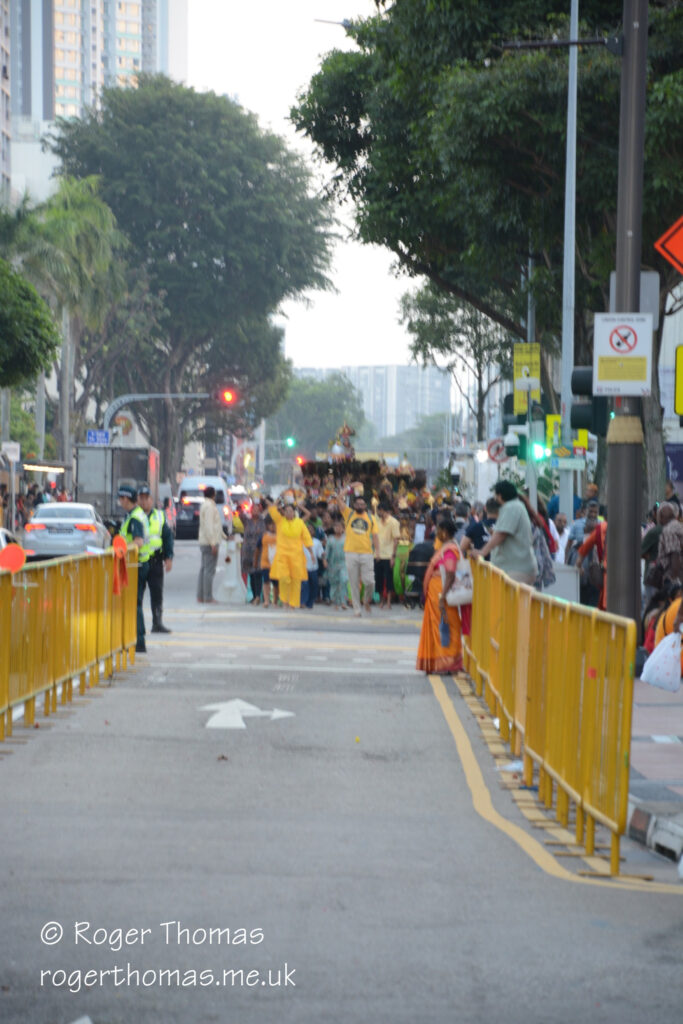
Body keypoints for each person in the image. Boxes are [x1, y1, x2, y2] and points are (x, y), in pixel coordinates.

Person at [416, 516, 464, 674]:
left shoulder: (450, 550)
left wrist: (442, 596)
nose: (436, 533)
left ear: (444, 532)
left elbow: (450, 574)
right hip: (436, 592)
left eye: (439, 530)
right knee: (439, 627)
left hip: (442, 593)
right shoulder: (445, 548)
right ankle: (441, 663)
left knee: (445, 628)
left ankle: (448, 664)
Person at [469, 480, 537, 585]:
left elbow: (501, 534)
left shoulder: (511, 507)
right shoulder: (515, 506)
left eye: (495, 495)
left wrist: (482, 552)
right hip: (516, 569)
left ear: (500, 495)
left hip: (515, 570)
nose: (494, 498)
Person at [330, 489, 379, 617]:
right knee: (354, 582)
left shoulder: (371, 518)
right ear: (354, 506)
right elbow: (339, 499)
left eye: (362, 504)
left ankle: (366, 600)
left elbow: (375, 537)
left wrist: (377, 551)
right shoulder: (349, 514)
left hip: (367, 553)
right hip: (351, 552)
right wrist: (349, 488)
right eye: (357, 504)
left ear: (365, 506)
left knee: (370, 582)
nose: (360, 506)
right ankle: (357, 610)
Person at [117, 484, 150, 653]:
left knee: (135, 604)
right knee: (135, 603)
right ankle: (137, 638)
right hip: (137, 564)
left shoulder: (135, 517)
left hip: (137, 565)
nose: (119, 502)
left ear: (125, 499)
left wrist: (123, 548)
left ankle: (139, 640)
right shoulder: (133, 515)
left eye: (120, 499)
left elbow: (138, 542)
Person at [264, 497, 313, 609]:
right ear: (284, 512)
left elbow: (306, 537)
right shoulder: (280, 521)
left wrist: (311, 553)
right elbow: (272, 509)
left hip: (296, 556)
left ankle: (293, 603)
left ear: (294, 512)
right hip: (283, 555)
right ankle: (285, 600)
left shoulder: (299, 523)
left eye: (290, 511)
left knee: (296, 580)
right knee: (284, 578)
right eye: (286, 511)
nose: (288, 513)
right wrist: (278, 501)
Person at [138, 483, 174, 633]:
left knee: (157, 594)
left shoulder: (159, 516)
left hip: (155, 561)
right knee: (137, 595)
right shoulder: (135, 516)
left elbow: (167, 537)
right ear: (138, 500)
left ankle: (157, 623)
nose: (144, 501)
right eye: (141, 498)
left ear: (151, 500)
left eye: (147, 498)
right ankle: (136, 625)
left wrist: (169, 557)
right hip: (138, 562)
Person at [197, 485, 222, 604]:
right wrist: (213, 543)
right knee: (209, 571)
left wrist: (225, 536)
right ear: (213, 494)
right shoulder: (210, 506)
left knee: (204, 569)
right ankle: (207, 597)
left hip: (205, 541)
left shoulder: (205, 505)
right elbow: (209, 526)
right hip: (209, 542)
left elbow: (214, 526)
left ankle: (201, 596)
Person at [375, 502, 400, 608]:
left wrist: (393, 556)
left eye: (379, 511)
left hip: (389, 555)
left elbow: (396, 540)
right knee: (378, 579)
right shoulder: (377, 522)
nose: (378, 513)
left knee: (388, 579)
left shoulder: (394, 522)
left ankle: (389, 601)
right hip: (378, 555)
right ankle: (381, 600)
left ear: (384, 511)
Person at [326, 516, 349, 610]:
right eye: (336, 527)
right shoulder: (330, 539)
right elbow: (327, 551)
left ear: (343, 528)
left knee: (343, 580)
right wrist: (324, 560)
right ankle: (335, 602)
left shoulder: (346, 538)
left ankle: (343, 602)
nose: (338, 529)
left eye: (339, 527)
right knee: (334, 583)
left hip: (344, 563)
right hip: (333, 564)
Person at [302, 520, 326, 609]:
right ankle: (303, 602)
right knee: (304, 586)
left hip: (314, 567)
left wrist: (323, 557)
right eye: (307, 529)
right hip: (304, 567)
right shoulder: (301, 541)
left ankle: (310, 603)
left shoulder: (317, 542)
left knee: (314, 585)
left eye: (311, 529)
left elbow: (320, 554)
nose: (309, 531)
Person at [259, 515, 278, 608]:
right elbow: (258, 548)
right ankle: (266, 600)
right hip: (265, 563)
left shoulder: (280, 536)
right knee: (266, 581)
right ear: (268, 525)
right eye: (271, 524)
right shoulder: (264, 536)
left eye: (275, 524)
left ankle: (275, 601)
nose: (273, 526)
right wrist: (255, 561)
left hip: (277, 563)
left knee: (276, 583)